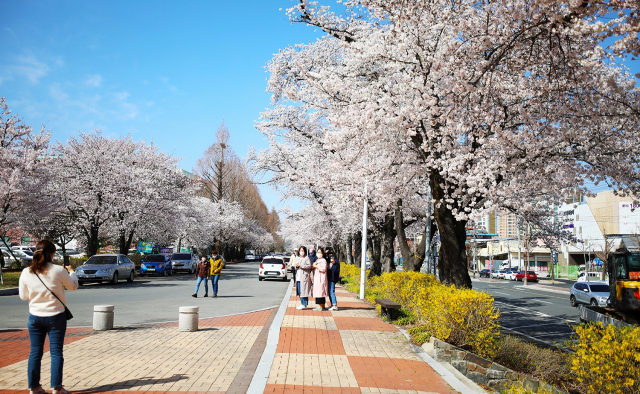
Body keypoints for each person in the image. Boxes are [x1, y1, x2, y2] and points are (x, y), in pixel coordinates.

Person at [19, 239, 78, 394]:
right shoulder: (59, 270)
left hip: (34, 317)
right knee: (56, 352)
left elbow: (23, 296)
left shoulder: (27, 272)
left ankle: (34, 387)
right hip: (55, 316)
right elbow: (73, 286)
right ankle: (57, 388)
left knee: (35, 352)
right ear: (51, 253)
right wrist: (72, 272)